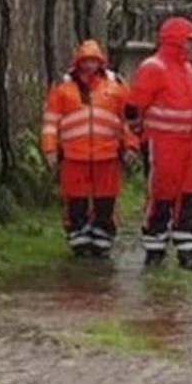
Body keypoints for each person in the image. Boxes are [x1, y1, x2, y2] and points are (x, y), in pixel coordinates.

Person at [41, 40, 139, 258]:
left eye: (93, 61)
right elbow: (50, 122)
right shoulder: (63, 90)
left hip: (108, 156)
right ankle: (79, 240)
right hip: (74, 157)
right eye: (85, 61)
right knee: (75, 202)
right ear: (78, 62)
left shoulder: (117, 88)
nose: (89, 66)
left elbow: (127, 122)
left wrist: (131, 146)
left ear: (100, 63)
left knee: (106, 201)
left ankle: (102, 240)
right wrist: (50, 150)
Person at [125, 17, 192, 270]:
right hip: (162, 144)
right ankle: (155, 248)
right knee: (161, 194)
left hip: (187, 143)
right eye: (189, 41)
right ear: (176, 40)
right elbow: (133, 106)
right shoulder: (154, 67)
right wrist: (137, 137)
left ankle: (187, 249)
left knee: (187, 194)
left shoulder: (187, 68)